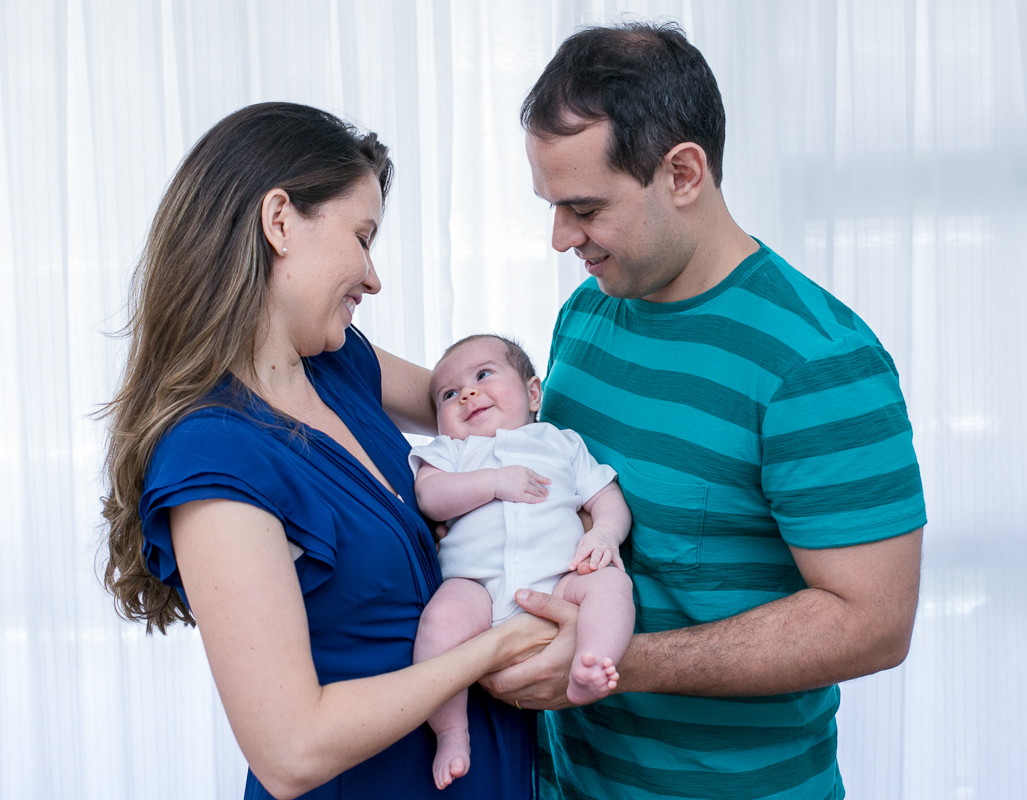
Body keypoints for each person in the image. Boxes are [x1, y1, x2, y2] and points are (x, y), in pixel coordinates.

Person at [479, 22, 928, 800]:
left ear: (683, 172)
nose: (560, 238)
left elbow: (874, 622)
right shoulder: (588, 314)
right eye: (552, 205)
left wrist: (611, 664)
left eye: (583, 206)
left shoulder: (817, 361)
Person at [99, 102, 565, 800]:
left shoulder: (337, 362)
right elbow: (291, 750)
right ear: (280, 221)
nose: (373, 277)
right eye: (362, 236)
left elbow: (488, 405)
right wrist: (497, 647)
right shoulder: (214, 460)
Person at [409, 333, 634, 789]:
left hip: (560, 580)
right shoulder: (451, 452)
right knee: (439, 623)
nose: (467, 393)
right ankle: (451, 731)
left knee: (611, 585)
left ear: (533, 393)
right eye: (449, 394)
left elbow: (606, 495)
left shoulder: (561, 443)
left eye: (483, 375)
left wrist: (606, 533)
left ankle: (592, 663)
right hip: (477, 586)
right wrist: (492, 481)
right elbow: (430, 497)